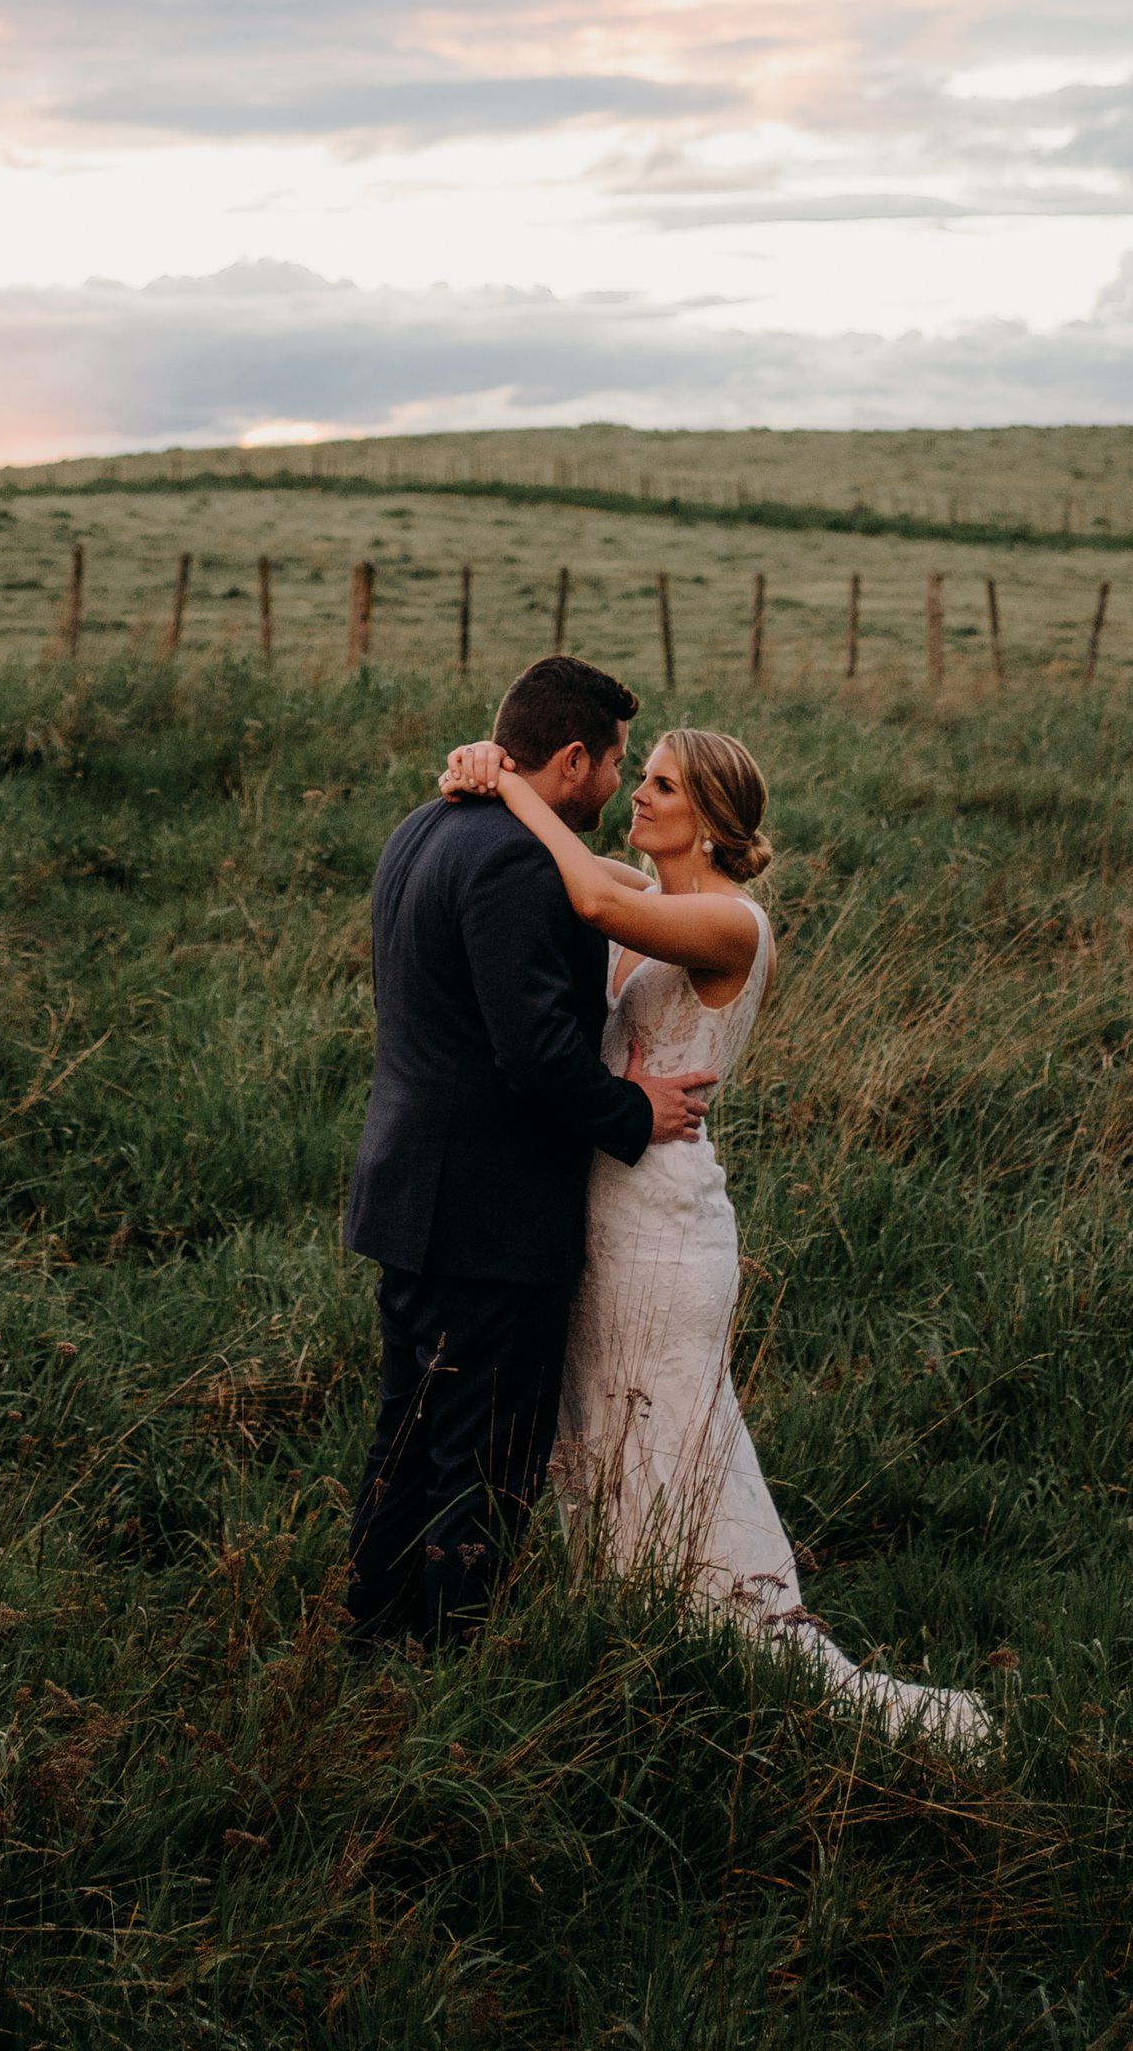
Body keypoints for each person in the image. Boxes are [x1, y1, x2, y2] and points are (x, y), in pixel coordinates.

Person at [435, 715, 989, 1745]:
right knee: (603, 1439)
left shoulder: (734, 923)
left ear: (714, 818)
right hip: (599, 1214)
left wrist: (508, 779)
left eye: (663, 786)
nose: (637, 795)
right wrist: (482, 763)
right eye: (638, 777)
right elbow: (566, 863)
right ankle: (635, 1650)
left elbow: (587, 891)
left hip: (663, 1226)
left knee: (672, 1438)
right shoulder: (656, 895)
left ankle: (750, 1655)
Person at [345, 652, 717, 1648]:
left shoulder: (425, 824)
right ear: (571, 758)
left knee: (409, 1436)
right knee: (488, 1455)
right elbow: (537, 1053)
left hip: (413, 1198)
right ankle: (450, 1663)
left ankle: (372, 1641)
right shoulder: (515, 859)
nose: (619, 785)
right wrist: (634, 1111)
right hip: (488, 1216)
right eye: (615, 765)